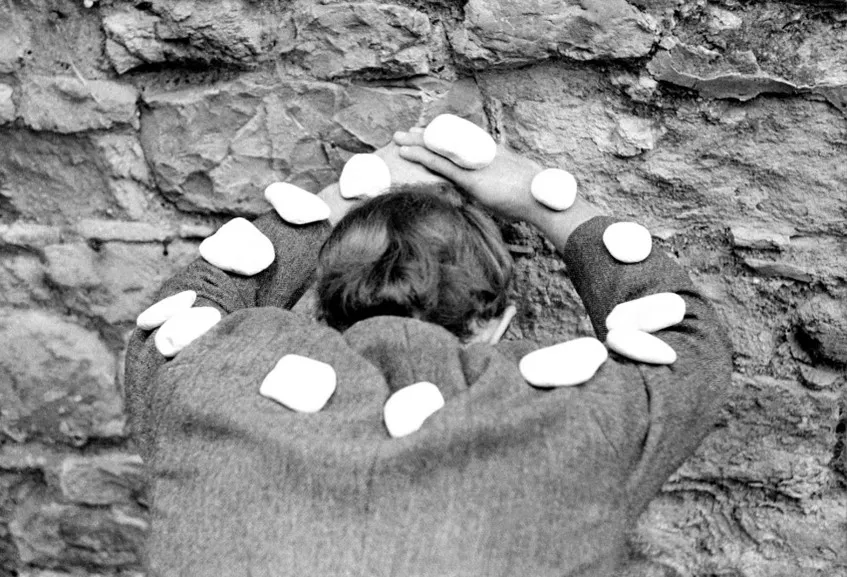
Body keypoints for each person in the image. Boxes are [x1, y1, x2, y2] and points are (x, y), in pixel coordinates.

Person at [124, 127, 731, 577]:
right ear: (498, 325)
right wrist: (540, 198)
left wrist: (340, 196)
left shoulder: (202, 384)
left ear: (320, 310)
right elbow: (692, 340)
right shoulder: (585, 419)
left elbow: (185, 307)